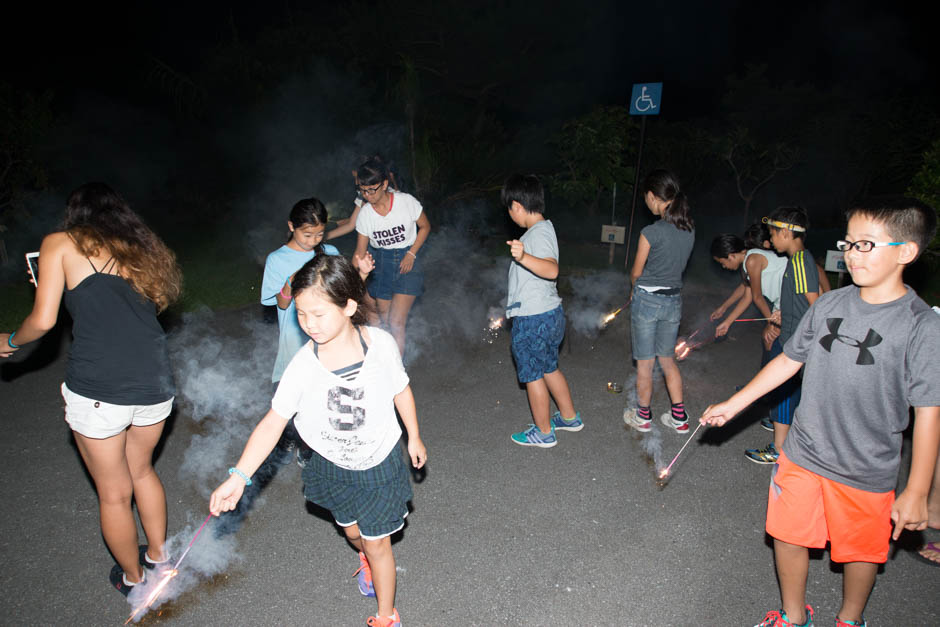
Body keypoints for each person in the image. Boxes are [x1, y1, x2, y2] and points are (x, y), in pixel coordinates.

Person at [701, 196, 940, 627]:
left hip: (865, 466)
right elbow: (789, 360)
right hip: (804, 450)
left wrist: (918, 488)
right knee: (787, 536)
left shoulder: (921, 326)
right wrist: (732, 406)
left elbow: (928, 411)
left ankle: (850, 619)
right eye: (848, 243)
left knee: (860, 552)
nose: (851, 253)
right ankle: (794, 616)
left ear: (906, 252)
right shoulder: (829, 305)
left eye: (866, 244)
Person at [210, 254, 426, 627]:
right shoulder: (304, 365)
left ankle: (387, 616)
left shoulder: (381, 345)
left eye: (318, 314)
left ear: (349, 306)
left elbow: (401, 390)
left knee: (378, 543)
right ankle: (365, 555)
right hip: (331, 464)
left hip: (378, 461)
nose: (309, 324)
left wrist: (414, 437)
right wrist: (238, 476)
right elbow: (273, 422)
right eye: (302, 313)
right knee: (354, 532)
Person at [0, 182, 181, 595]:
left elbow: (44, 322)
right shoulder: (140, 250)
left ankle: (135, 581)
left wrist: (10, 342)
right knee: (143, 470)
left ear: (74, 214)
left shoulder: (59, 243)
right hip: (155, 382)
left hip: (101, 388)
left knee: (114, 494)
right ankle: (160, 560)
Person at [502, 173, 582, 447]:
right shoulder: (542, 231)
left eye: (509, 209)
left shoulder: (539, 233)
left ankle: (543, 431)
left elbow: (551, 269)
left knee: (533, 373)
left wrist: (523, 256)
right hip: (548, 316)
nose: (510, 214)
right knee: (549, 367)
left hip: (533, 318)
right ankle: (569, 417)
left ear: (517, 205)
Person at [744, 207, 820, 464]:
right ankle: (784, 443)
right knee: (785, 390)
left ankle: (779, 450)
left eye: (774, 234)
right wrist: (783, 313)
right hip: (790, 331)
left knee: (782, 391)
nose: (771, 239)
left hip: (794, 340)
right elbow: (799, 299)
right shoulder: (798, 260)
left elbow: (814, 302)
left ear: (786, 233)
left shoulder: (799, 261)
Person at [623, 169, 695, 434]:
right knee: (667, 359)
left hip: (648, 301)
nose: (646, 203)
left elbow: (636, 273)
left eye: (647, 198)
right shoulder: (688, 230)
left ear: (653, 197)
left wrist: (634, 289)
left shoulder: (651, 232)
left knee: (645, 363)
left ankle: (643, 417)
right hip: (673, 301)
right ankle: (680, 418)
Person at [710, 227, 788, 433]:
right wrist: (726, 317)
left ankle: (779, 411)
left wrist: (770, 322)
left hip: (790, 302)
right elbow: (746, 294)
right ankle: (768, 397)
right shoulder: (748, 262)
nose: (725, 267)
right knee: (770, 346)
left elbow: (756, 297)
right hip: (782, 305)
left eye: (723, 262)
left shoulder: (752, 260)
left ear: (732, 255)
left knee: (778, 351)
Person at [353, 156, 430, 356]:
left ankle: (399, 372)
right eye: (363, 191)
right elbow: (359, 252)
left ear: (385, 183)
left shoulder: (406, 202)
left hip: (408, 261)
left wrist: (412, 253)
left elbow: (425, 226)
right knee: (386, 324)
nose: (368, 195)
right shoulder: (365, 215)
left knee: (396, 323)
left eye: (372, 189)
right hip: (381, 264)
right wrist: (355, 269)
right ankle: (387, 365)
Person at [327, 166, 401, 241]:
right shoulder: (364, 197)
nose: (356, 183)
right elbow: (351, 224)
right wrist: (323, 237)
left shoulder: (398, 198)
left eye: (357, 178)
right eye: (355, 178)